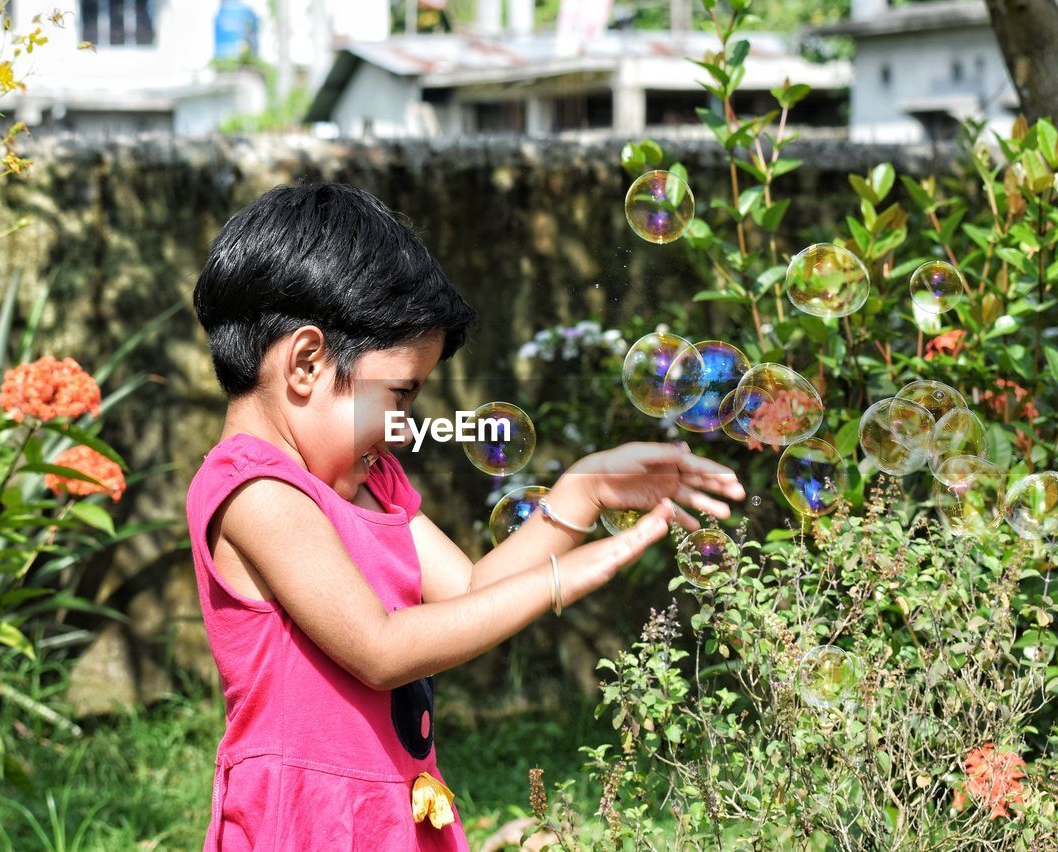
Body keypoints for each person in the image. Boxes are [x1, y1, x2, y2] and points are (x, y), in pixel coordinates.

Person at [186, 182, 744, 850]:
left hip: (392, 812)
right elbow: (381, 648)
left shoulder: (375, 482)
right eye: (399, 393)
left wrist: (582, 493)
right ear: (307, 362)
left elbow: (471, 593)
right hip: (305, 821)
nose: (402, 427)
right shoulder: (255, 490)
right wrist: (563, 580)